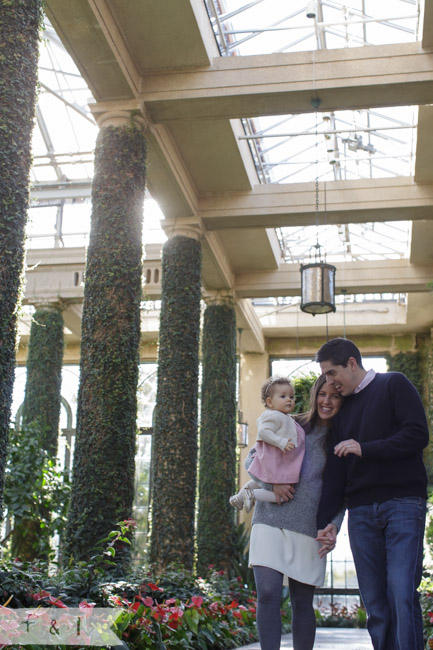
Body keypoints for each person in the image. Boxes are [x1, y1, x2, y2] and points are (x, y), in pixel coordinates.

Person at [316, 337, 429, 650]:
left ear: (352, 363)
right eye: (325, 376)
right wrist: (328, 522)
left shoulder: (395, 384)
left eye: (332, 373)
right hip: (362, 511)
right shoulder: (343, 409)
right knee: (376, 603)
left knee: (401, 591)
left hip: (404, 504)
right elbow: (336, 470)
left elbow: (417, 434)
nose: (329, 382)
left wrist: (365, 449)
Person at [248, 374, 344, 650]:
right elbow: (252, 457)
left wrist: (334, 525)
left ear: (343, 400)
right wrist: (272, 483)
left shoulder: (343, 438)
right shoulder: (289, 422)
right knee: (267, 593)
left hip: (309, 527)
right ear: (314, 395)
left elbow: (345, 491)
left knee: (302, 602)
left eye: (335, 395)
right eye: (322, 394)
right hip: (270, 519)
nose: (327, 401)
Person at [230, 376, 305, 512]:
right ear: (270, 402)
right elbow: (264, 432)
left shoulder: (285, 417)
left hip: (277, 460)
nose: (289, 399)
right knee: (283, 496)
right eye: (283, 396)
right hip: (275, 460)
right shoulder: (274, 415)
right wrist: (281, 442)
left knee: (260, 481)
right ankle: (251, 494)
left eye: (292, 396)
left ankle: (240, 497)